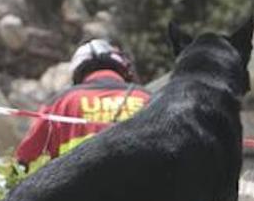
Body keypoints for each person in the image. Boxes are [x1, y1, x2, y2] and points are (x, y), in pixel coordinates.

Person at [14, 39, 151, 172]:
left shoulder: (60, 103)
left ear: (78, 72)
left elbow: (24, 159)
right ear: (121, 67)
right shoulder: (146, 98)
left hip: (82, 191)